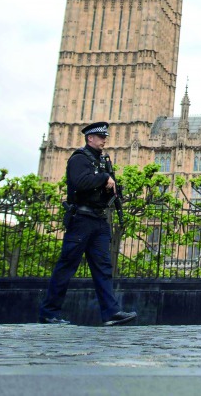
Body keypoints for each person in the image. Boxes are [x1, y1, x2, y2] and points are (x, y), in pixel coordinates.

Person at [39, 121, 138, 326]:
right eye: (101, 137)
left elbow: (103, 184)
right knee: (67, 265)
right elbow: (80, 182)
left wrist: (112, 188)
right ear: (90, 138)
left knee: (103, 267)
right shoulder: (78, 159)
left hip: (99, 220)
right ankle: (49, 312)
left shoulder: (102, 162)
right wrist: (104, 178)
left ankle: (111, 312)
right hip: (81, 220)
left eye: (105, 137)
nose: (104, 140)